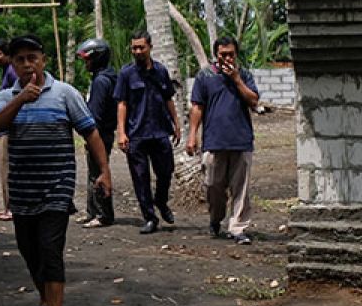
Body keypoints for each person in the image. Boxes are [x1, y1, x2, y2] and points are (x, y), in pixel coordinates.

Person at [0, 35, 111, 306]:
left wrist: (104, 170)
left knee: (50, 250)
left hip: (57, 185)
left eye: (33, 57)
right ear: (13, 65)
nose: (28, 64)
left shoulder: (65, 94)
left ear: (43, 60)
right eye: (20, 59)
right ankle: (45, 300)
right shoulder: (6, 96)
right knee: (29, 250)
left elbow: (91, 132)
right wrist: (21, 100)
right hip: (22, 187)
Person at [187, 36, 259, 246]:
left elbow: (253, 100)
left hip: (241, 140)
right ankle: (215, 218)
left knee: (241, 188)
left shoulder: (244, 74)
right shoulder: (205, 76)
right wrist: (192, 135)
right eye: (222, 54)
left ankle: (238, 228)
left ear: (236, 54)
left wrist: (236, 79)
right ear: (215, 55)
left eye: (230, 54)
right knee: (213, 185)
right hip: (214, 141)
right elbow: (197, 107)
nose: (227, 58)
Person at [114, 31, 182, 236]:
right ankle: (150, 217)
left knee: (166, 171)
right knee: (140, 177)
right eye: (134, 48)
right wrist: (122, 132)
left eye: (141, 47)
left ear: (150, 47)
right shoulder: (126, 74)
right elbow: (122, 103)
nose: (137, 51)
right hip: (137, 134)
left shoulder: (160, 71)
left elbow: (169, 98)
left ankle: (161, 201)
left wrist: (176, 123)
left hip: (160, 131)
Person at [76, 38, 117, 228]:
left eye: (88, 60)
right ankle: (92, 211)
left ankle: (103, 214)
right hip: (101, 132)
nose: (86, 64)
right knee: (93, 171)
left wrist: (91, 133)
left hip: (100, 134)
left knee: (98, 172)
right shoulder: (103, 78)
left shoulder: (101, 81)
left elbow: (96, 113)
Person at [0, 39, 17, 222]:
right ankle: (9, 207)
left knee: (7, 168)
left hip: (10, 129)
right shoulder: (6, 72)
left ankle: (11, 208)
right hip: (5, 128)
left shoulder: (12, 73)